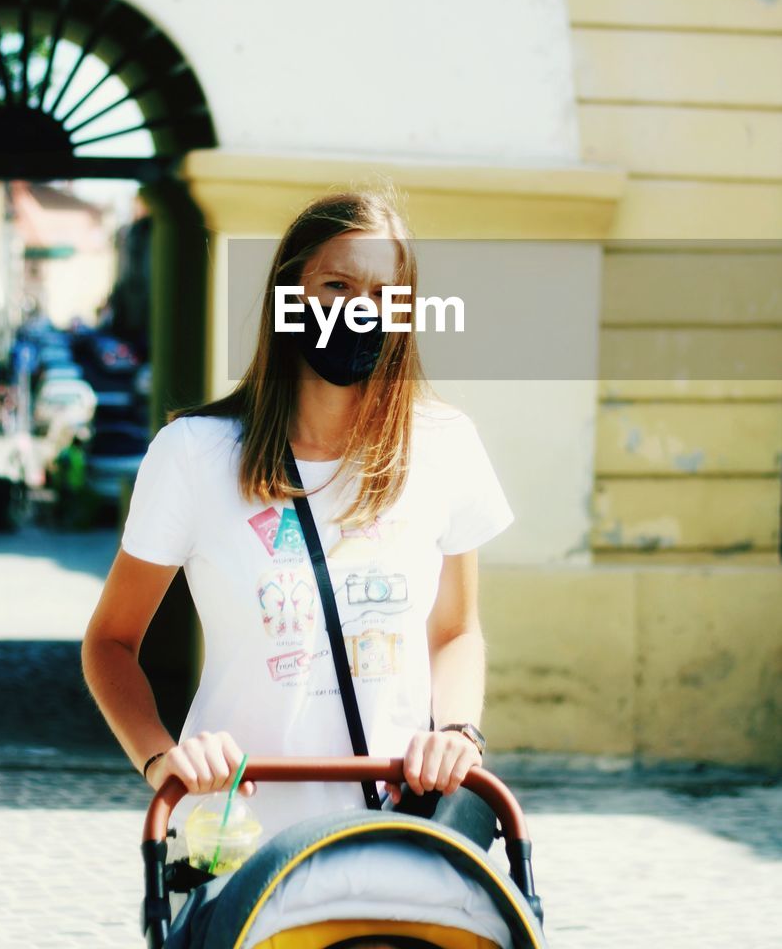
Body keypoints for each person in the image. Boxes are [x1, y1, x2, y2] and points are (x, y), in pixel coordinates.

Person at [82, 187, 515, 861]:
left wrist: (457, 730)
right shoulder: (194, 454)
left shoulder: (445, 445)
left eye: (381, 293)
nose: (357, 309)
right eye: (335, 284)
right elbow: (110, 643)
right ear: (289, 296)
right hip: (237, 842)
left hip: (397, 834)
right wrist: (162, 760)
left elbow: (456, 631)